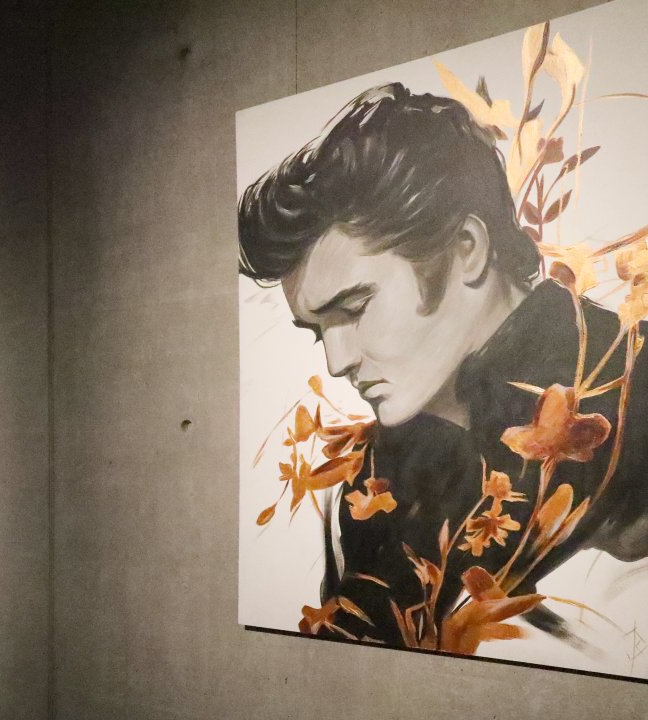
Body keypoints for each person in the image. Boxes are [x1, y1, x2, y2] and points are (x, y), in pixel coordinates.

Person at [239, 83, 648, 651]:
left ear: (467, 248)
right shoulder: (365, 485)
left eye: (354, 309)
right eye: (316, 330)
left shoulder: (630, 388)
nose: (336, 361)